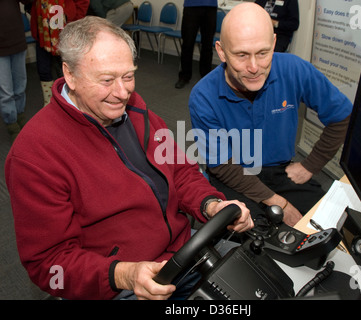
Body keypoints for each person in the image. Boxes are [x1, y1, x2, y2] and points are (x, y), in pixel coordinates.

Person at [5, 16, 253, 300]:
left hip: (185, 252)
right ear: (70, 75)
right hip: (119, 285)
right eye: (107, 80)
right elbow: (49, 265)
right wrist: (123, 273)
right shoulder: (35, 154)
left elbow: (181, 172)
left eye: (128, 76)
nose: (123, 93)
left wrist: (211, 204)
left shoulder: (136, 109)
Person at [189, 3, 352, 227]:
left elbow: (341, 116)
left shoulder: (295, 69)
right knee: (251, 242)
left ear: (274, 44)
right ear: (221, 51)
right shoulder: (203, 96)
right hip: (234, 176)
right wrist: (279, 204)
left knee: (332, 224)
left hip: (280, 171)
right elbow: (222, 166)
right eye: (241, 55)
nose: (254, 67)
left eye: (263, 53)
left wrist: (311, 166)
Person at [29, 0, 89, 106]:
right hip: (43, 31)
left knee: (67, 69)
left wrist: (73, 19)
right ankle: (49, 103)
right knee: (43, 69)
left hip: (65, 30)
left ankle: (70, 103)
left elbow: (83, 3)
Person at [0, 0, 31, 142]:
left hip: (17, 40)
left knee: (20, 86)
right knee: (6, 92)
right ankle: (12, 126)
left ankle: (20, 117)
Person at [175, 0, 218, 89]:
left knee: (207, 45)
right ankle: (184, 76)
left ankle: (206, 77)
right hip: (191, 6)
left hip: (210, 6)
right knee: (187, 44)